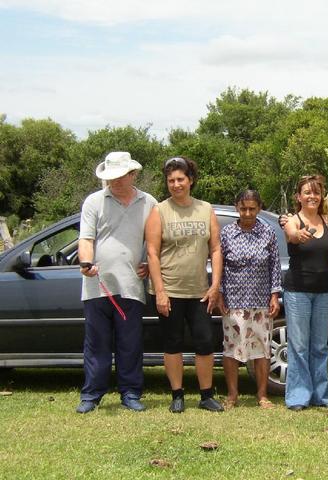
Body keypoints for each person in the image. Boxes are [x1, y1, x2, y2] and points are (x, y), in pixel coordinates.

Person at [76, 151, 157, 414]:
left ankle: (131, 393)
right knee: (96, 343)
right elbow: (86, 239)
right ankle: (91, 395)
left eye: (119, 177)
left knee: (130, 344)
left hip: (132, 286)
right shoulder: (94, 202)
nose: (114, 182)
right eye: (110, 177)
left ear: (133, 174)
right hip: (97, 287)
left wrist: (148, 262)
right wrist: (86, 264)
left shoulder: (149, 203)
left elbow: (155, 243)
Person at [145, 156, 224, 413]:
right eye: (171, 180)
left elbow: (215, 248)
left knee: (204, 343)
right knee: (172, 343)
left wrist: (215, 285)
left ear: (190, 180)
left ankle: (206, 395)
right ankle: (177, 395)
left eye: (180, 179)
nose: (176, 184)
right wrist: (160, 292)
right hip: (170, 290)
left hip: (200, 291)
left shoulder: (205, 209)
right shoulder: (159, 210)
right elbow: (152, 253)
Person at [219, 190, 281, 410]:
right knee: (232, 348)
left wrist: (275, 294)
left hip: (261, 299)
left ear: (259, 209)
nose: (247, 213)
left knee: (262, 348)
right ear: (237, 207)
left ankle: (262, 395)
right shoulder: (226, 233)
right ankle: (232, 395)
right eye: (243, 208)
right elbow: (219, 265)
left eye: (252, 209)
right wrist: (219, 293)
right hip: (233, 300)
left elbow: (274, 265)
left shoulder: (267, 232)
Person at [282, 175, 328, 411]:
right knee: (299, 345)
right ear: (298, 197)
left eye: (316, 192)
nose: (312, 196)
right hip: (298, 291)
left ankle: (321, 396)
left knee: (320, 346)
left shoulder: (327, 220)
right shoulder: (292, 220)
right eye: (307, 192)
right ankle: (298, 396)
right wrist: (298, 235)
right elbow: (292, 234)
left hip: (324, 291)